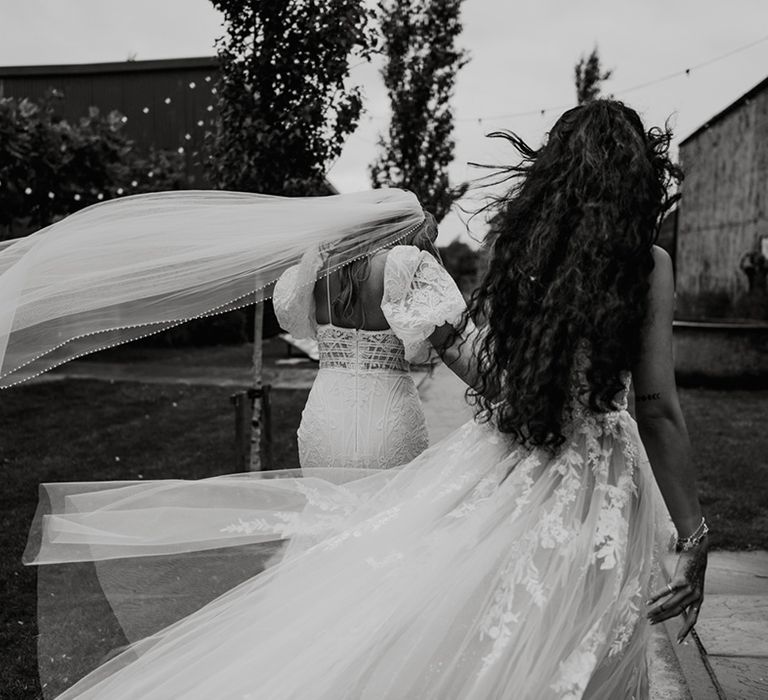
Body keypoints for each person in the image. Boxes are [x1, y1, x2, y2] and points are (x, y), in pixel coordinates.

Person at [14, 99, 706, 699]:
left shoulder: (517, 254)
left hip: (408, 428)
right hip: (577, 466)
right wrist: (694, 534)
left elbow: (491, 371)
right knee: (572, 630)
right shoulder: (645, 266)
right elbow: (657, 408)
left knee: (408, 578)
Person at [272, 212, 465, 469]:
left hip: (324, 418)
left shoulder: (316, 270)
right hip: (390, 420)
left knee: (328, 504)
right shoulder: (404, 268)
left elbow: (296, 321)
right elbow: (451, 348)